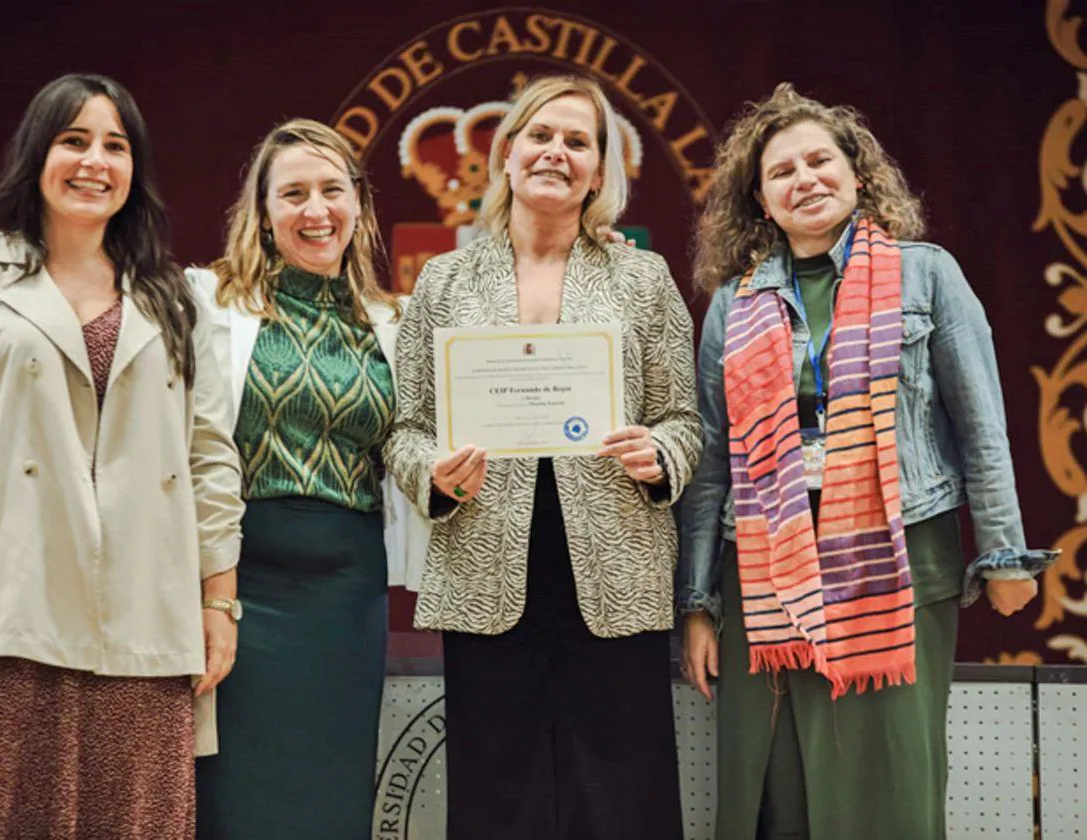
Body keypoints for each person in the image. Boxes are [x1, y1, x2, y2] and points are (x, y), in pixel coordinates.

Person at [676, 82, 1058, 840]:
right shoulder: (733, 302)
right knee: (777, 786)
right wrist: (696, 600)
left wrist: (1006, 553)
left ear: (858, 173)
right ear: (759, 198)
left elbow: (981, 423)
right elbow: (713, 458)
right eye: (782, 172)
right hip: (760, 568)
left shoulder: (926, 274)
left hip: (901, 555)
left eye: (821, 161)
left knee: (888, 773)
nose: (805, 180)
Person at [0, 73, 244, 838]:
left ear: (136, 170)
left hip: (145, 623)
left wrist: (218, 602)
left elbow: (211, 458)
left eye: (115, 146)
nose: (95, 162)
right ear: (35, 155)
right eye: (74, 140)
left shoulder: (172, 297)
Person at [383, 74, 703, 840]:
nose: (556, 152)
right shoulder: (445, 279)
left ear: (600, 170)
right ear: (508, 152)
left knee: (625, 797)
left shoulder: (642, 278)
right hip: (487, 571)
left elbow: (686, 420)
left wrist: (659, 452)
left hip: (617, 571)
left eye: (578, 141)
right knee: (498, 800)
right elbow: (405, 427)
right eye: (541, 135)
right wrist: (431, 472)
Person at [189, 118, 427, 839]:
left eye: (332, 190)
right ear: (262, 213)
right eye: (293, 194)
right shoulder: (203, 301)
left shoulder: (397, 321)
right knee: (234, 796)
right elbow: (94, 288)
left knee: (330, 795)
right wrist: (0, 260)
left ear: (360, 204)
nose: (315, 210)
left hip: (347, 593)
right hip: (236, 586)